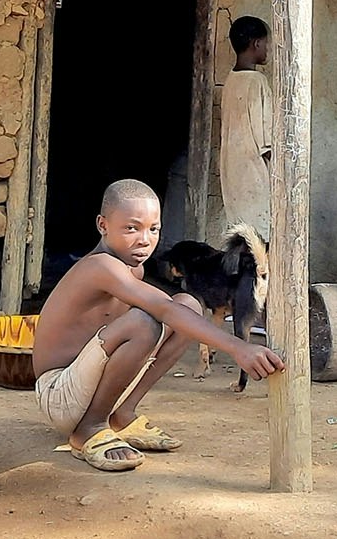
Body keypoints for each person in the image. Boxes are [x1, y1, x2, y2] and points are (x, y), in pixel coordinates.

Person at [31, 178, 284, 471]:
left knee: (187, 305)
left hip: (86, 387)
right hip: (59, 395)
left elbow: (174, 310)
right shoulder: (100, 266)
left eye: (154, 229)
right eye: (131, 228)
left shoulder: (132, 269)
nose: (144, 239)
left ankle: (122, 414)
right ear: (102, 225)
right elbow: (162, 310)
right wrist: (238, 347)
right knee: (144, 322)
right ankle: (88, 428)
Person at [219, 15, 272, 238]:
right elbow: (267, 143)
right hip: (255, 175)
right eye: (266, 43)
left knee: (241, 239)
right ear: (256, 44)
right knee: (261, 243)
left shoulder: (230, 81)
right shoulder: (257, 83)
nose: (268, 49)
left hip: (232, 173)